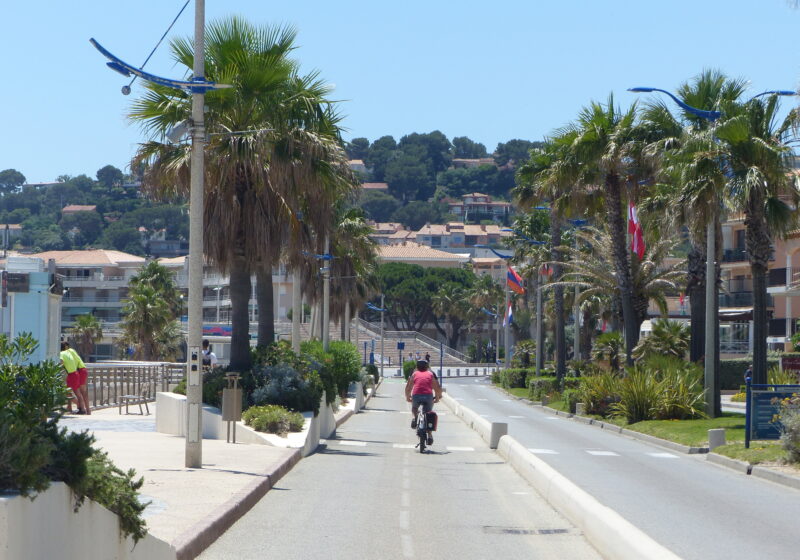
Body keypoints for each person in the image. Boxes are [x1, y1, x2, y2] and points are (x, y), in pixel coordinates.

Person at [405, 360, 442, 445]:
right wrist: (437, 398)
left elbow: (408, 387)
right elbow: (437, 388)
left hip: (416, 395)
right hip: (428, 396)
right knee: (428, 414)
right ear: (427, 367)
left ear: (417, 367)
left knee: (414, 408)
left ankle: (414, 418)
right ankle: (429, 435)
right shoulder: (430, 374)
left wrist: (408, 397)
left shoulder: (414, 374)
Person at [60, 341, 88, 414]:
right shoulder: (69, 352)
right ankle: (75, 408)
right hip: (75, 373)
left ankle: (81, 408)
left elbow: (61, 362)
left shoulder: (61, 354)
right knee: (70, 391)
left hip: (72, 374)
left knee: (75, 392)